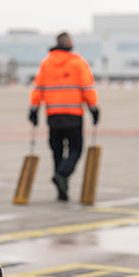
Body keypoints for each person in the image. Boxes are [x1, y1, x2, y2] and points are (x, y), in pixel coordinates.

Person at [29, 32, 100, 201]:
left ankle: (62, 190)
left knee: (57, 152)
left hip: (53, 115)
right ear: (69, 43)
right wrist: (94, 109)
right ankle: (62, 175)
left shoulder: (46, 64)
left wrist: (33, 110)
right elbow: (87, 89)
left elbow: (38, 89)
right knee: (76, 149)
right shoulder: (78, 63)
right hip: (73, 115)